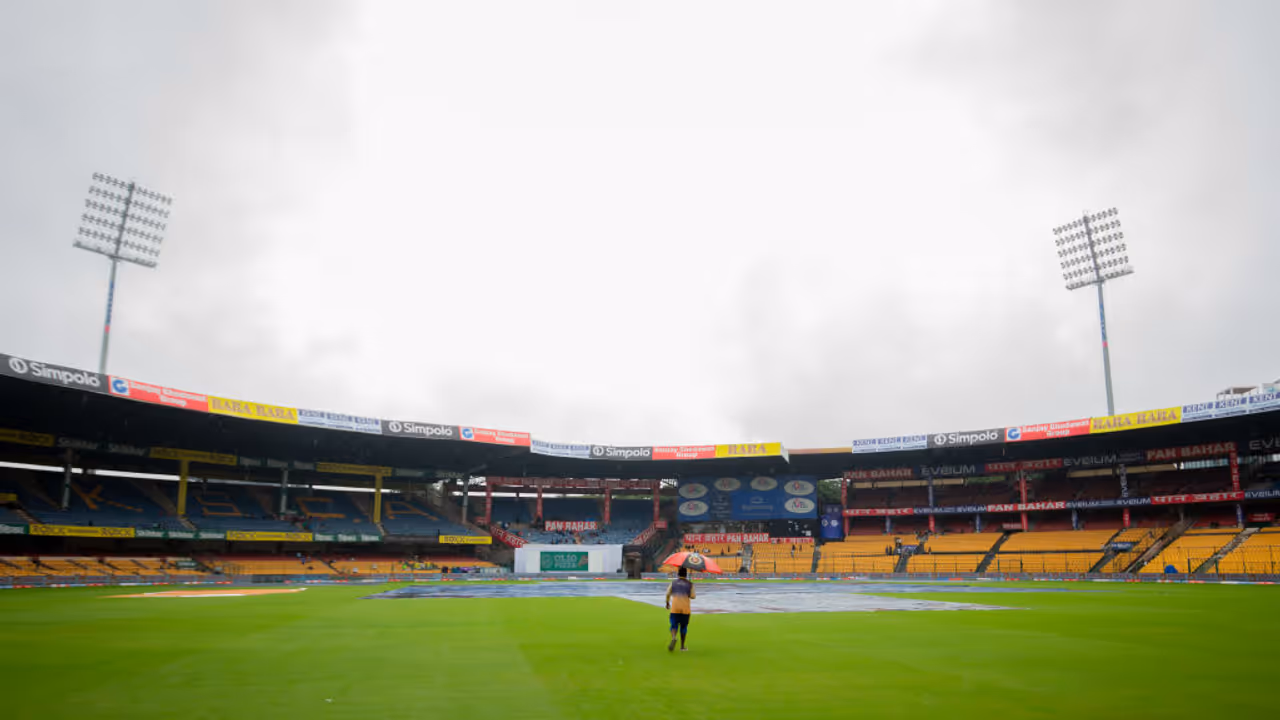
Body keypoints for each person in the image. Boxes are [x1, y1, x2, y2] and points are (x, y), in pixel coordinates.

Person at [665, 567, 696, 652]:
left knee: (674, 625)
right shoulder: (690, 584)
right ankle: (682, 646)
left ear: (678, 574)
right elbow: (693, 596)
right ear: (686, 574)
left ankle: (674, 637)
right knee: (683, 627)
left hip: (675, 608)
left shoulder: (673, 583)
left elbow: (668, 593)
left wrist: (667, 603)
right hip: (685, 608)